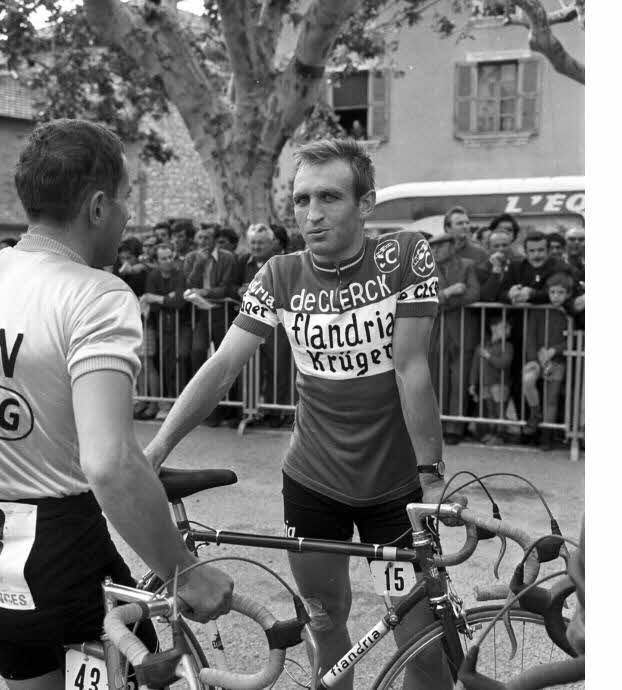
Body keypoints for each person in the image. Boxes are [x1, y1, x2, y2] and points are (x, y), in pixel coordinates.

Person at [0, 119, 233, 690]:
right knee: (164, 672)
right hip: (57, 565)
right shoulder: (96, 295)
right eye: (125, 201)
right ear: (98, 207)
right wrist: (187, 572)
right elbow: (110, 463)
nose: (127, 217)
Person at [146, 139, 450, 690]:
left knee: (421, 643)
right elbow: (223, 365)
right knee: (326, 625)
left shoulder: (405, 255)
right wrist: (157, 448)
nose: (312, 214)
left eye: (330, 197)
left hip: (396, 490)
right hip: (314, 485)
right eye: (302, 199)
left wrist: (430, 475)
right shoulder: (279, 275)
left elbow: (411, 367)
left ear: (366, 203)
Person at [424, 229, 480, 446]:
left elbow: (474, 294)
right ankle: (438, 425)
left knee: (460, 380)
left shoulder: (467, 265)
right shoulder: (425, 269)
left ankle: (455, 428)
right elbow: (426, 298)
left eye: (440, 246)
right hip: (436, 332)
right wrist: (448, 294)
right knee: (437, 380)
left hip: (462, 330)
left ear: (452, 246)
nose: (435, 251)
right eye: (432, 247)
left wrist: (443, 303)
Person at [183, 223, 242, 425]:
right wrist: (199, 265)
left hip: (221, 313)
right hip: (200, 315)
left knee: (224, 359)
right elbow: (189, 283)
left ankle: (230, 409)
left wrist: (205, 292)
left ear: (214, 240)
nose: (203, 242)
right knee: (198, 352)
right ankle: (202, 408)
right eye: (200, 238)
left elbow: (225, 288)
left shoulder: (227, 258)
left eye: (207, 238)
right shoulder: (191, 258)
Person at [238, 223, 293, 427]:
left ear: (272, 243)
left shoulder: (282, 263)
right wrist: (239, 291)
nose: (256, 247)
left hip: (276, 324)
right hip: (250, 323)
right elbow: (231, 287)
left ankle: (277, 411)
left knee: (278, 368)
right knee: (252, 368)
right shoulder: (243, 262)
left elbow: (290, 290)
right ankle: (252, 411)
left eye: (261, 243)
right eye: (253, 242)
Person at [137, 243, 191, 420]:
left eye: (170, 257)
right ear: (156, 261)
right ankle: (166, 403)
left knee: (181, 358)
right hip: (161, 326)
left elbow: (179, 302)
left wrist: (158, 298)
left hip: (181, 325)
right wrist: (167, 298)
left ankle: (182, 404)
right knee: (163, 363)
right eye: (163, 258)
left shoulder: (180, 274)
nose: (168, 261)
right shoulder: (153, 276)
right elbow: (151, 304)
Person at [521, 272, 574, 451]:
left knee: (551, 398)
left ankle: (547, 435)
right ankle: (535, 413)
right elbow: (530, 336)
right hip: (536, 359)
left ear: (568, 294)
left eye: (561, 292)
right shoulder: (539, 310)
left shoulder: (568, 314)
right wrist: (535, 358)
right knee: (528, 380)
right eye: (552, 292)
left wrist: (553, 351)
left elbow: (573, 338)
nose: (556, 296)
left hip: (556, 361)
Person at [470, 315, 514, 445]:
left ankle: (500, 435)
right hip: (485, 384)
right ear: (493, 328)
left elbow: (504, 363)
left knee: (500, 411)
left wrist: (488, 356)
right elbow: (475, 367)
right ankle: (491, 433)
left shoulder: (508, 346)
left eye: (509, 328)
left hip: (500, 384)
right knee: (489, 411)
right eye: (504, 327)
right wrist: (472, 384)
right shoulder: (482, 346)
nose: (508, 330)